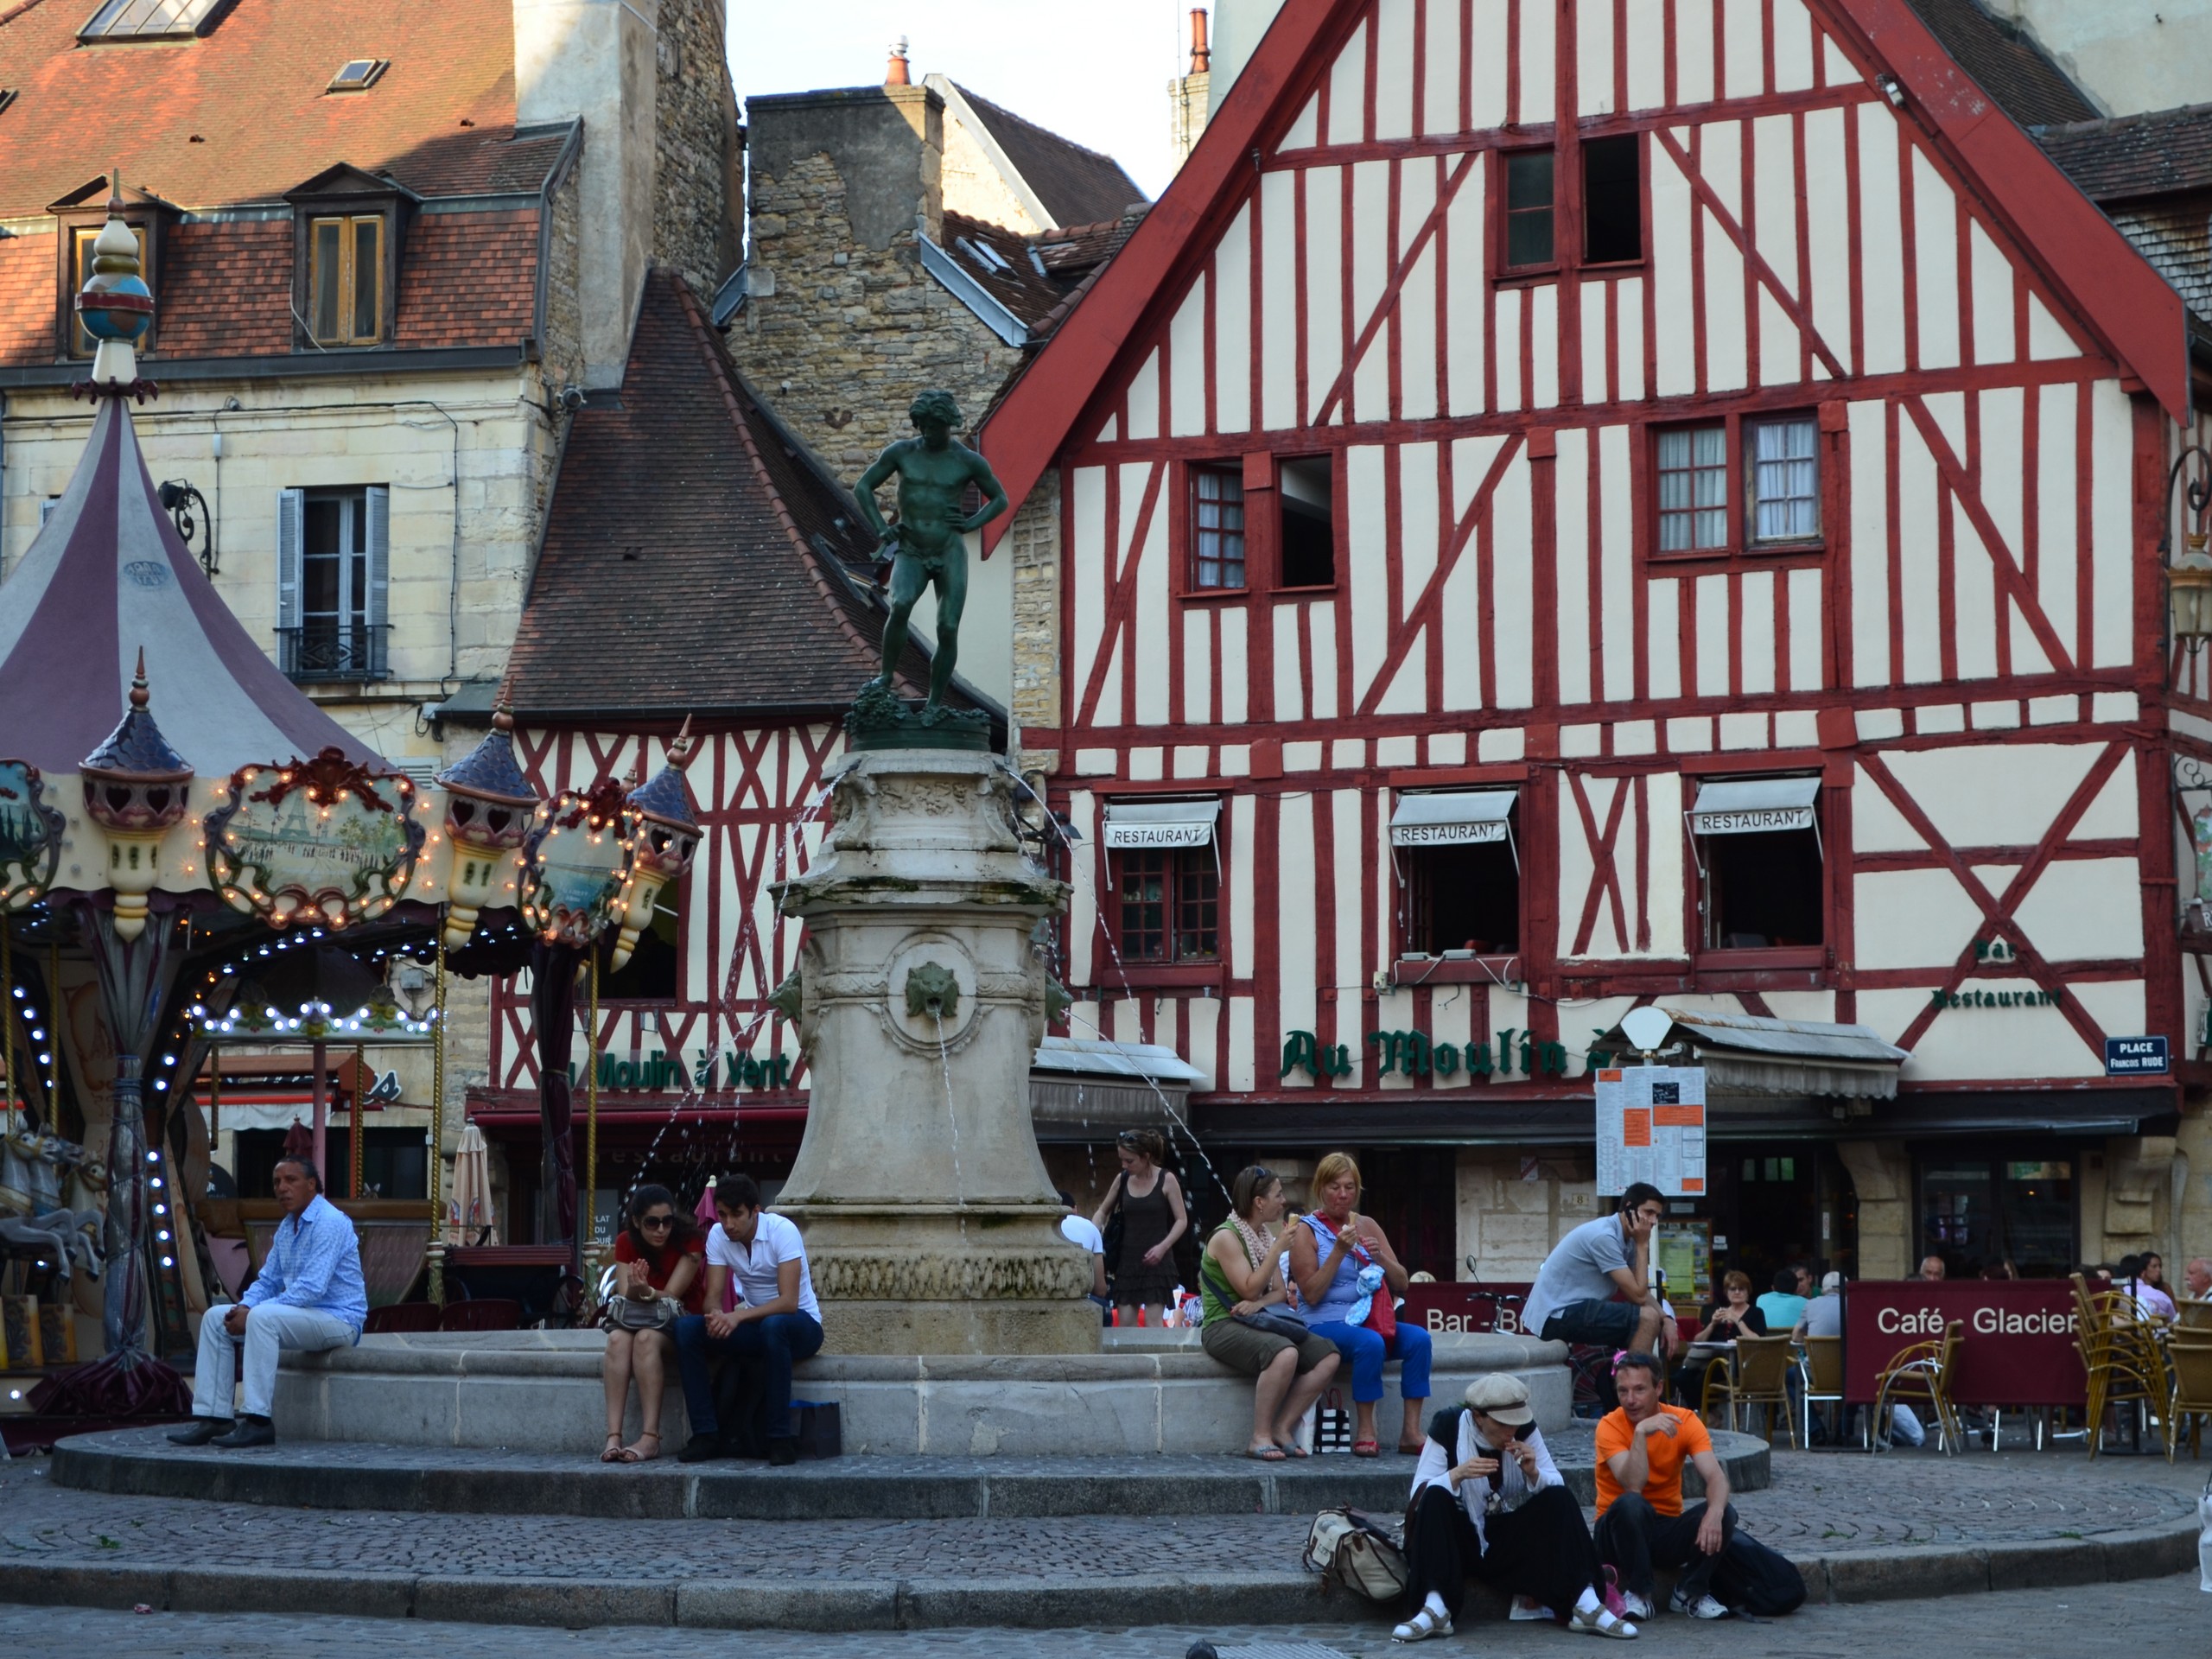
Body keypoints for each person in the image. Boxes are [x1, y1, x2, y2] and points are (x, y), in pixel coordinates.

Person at [1395, 1374, 1639, 1642]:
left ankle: (1586, 1602)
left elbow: (1554, 1480)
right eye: (1501, 1425)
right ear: (1478, 1417)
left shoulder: (1523, 1429)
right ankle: (1436, 1607)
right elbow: (1419, 1493)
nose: (1510, 1432)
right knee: (1435, 1496)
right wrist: (1456, 1475)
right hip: (1458, 1540)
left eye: (1515, 1423)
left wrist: (1534, 1473)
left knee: (1559, 1497)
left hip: (1502, 1538)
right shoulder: (1448, 1425)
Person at [170, 1155, 365, 1449]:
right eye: (277, 1182)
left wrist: (254, 1313)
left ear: (312, 1185)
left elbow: (311, 1288)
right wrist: (244, 1307)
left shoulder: (330, 1221)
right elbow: (267, 1280)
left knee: (262, 1318)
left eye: (291, 1180)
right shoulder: (288, 1226)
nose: (282, 1188)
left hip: (339, 1320)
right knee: (214, 1318)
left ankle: (258, 1421)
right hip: (303, 1315)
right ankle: (215, 1417)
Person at [852, 389, 1008, 717]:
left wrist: (970, 524)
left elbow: (1000, 499)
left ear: (947, 424)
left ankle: (935, 703)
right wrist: (882, 527)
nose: (927, 433)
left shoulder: (968, 461)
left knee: (948, 626)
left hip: (948, 549)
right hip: (911, 548)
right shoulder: (901, 453)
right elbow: (863, 487)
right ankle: (885, 675)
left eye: (933, 427)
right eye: (921, 426)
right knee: (901, 604)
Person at [1288, 1151, 1431, 1457]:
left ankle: (1411, 1432)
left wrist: (1379, 1256)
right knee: (1370, 1343)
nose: (1342, 1195)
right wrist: (1339, 1250)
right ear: (1320, 1189)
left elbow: (1403, 1282)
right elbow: (1310, 1294)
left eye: (1350, 1187)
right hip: (1324, 1323)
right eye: (1335, 1187)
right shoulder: (1306, 1230)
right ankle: (1366, 1430)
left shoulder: (1367, 1224)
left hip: (1367, 1320)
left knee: (1419, 1339)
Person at [674, 1175, 823, 1465]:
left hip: (801, 1325)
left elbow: (788, 1302)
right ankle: (706, 1435)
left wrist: (737, 1317)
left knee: (774, 1325)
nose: (729, 1223)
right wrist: (716, 1316)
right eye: (723, 1215)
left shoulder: (782, 1231)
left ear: (755, 1211)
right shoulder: (718, 1235)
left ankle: (779, 1439)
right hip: (758, 1327)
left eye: (737, 1215)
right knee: (686, 1329)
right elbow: (713, 1296)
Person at [1198, 1165, 1341, 1460]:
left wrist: (1260, 1304)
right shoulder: (1227, 1237)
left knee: (1328, 1355)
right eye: (1278, 1195)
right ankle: (1259, 1436)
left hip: (1260, 1318)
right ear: (1259, 1202)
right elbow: (1249, 1289)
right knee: (1285, 1353)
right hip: (1223, 1325)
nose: (1284, 1201)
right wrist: (1277, 1251)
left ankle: (1282, 1426)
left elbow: (1277, 1292)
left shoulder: (1263, 1236)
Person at [1593, 1351, 1736, 1620]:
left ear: (1658, 1388)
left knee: (1724, 1511)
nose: (1630, 1400)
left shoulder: (1685, 1421)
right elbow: (1633, 1484)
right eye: (1623, 1391)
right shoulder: (1609, 1426)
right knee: (1631, 1503)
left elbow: (1716, 1478)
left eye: (1639, 1390)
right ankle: (1638, 1593)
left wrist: (1714, 1513)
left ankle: (1688, 1592)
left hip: (1663, 1528)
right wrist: (1640, 1433)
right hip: (1615, 1530)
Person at [599, 1184, 704, 1465]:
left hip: (680, 1325)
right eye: (652, 1222)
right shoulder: (625, 1241)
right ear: (636, 1221)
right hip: (640, 1319)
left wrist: (644, 1290)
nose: (661, 1229)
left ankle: (651, 1437)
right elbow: (625, 1294)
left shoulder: (690, 1240)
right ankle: (613, 1435)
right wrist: (637, 1288)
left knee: (645, 1338)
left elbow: (671, 1295)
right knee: (617, 1340)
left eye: (667, 1221)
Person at [1522, 1182, 1675, 1363]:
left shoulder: (1629, 1238)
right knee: (1647, 1319)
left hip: (1573, 1309)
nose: (1653, 1221)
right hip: (1556, 1314)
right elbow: (1638, 1297)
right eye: (1649, 1213)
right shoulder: (1604, 1237)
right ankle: (1632, 1386)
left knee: (1651, 1317)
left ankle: (1621, 1379)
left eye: (1657, 1215)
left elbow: (1638, 1289)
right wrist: (1643, 1245)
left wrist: (1666, 1318)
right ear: (1629, 1208)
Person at [1092, 1128, 1188, 1326]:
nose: (1124, 1165)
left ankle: (1158, 1359)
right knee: (1126, 1325)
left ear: (1146, 1157)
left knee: (1154, 1324)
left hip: (1157, 1262)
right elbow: (1102, 1211)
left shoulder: (1166, 1179)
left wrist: (1163, 1247)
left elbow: (1182, 1220)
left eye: (1129, 1161)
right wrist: (1093, 1232)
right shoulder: (1123, 1179)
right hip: (1127, 1263)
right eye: (1122, 1160)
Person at [1671, 1269, 1764, 1406]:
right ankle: (1710, 1414)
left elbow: (1758, 1341)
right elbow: (1698, 1341)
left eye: (1741, 1289)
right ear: (1726, 1292)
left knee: (1702, 1378)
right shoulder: (1721, 1313)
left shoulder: (1756, 1313)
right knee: (1681, 1377)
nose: (1737, 1292)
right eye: (1733, 1289)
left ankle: (1708, 1415)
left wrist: (1738, 1320)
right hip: (1711, 1360)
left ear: (1747, 1292)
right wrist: (1712, 1324)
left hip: (1741, 1363)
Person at [1058, 1189, 1109, 1312]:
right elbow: (1100, 1289)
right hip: (1081, 1299)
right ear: (1075, 1209)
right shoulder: (1090, 1227)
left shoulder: (1045, 1228)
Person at [1793, 1270, 1843, 1339]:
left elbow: (1796, 1336)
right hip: (1845, 1349)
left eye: (1801, 1280)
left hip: (1816, 1349)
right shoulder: (1851, 1305)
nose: (1798, 1285)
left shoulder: (1809, 1304)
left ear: (1822, 1290)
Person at [1754, 1268, 1808, 1332]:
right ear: (1796, 1289)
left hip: (1766, 1341)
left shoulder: (1761, 1299)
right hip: (1791, 1341)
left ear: (1773, 1288)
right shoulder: (1806, 1303)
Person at [2133, 1252, 2177, 1320]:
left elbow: (2174, 1312)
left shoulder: (2165, 1288)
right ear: (2144, 1269)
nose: (2159, 1270)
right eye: (2154, 1266)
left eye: (2160, 1266)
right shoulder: (2136, 1287)